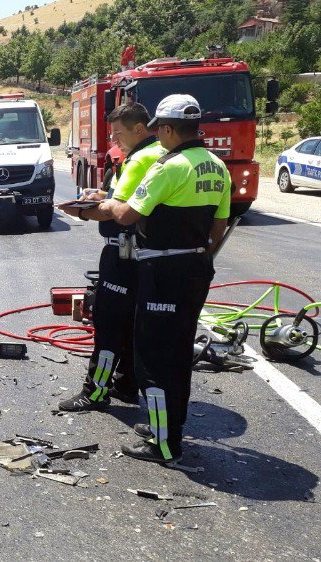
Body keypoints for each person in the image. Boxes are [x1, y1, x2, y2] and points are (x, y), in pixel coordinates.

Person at [95, 94, 230, 464]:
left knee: (152, 358)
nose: (159, 137)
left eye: (160, 130)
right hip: (197, 268)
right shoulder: (217, 166)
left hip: (163, 272)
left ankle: (162, 443)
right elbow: (220, 224)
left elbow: (126, 214)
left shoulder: (169, 167)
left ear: (168, 129)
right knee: (178, 353)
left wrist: (101, 206)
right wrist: (198, 254)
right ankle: (170, 426)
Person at [57, 103, 166, 412]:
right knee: (133, 325)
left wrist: (83, 209)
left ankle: (95, 391)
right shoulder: (160, 154)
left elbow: (121, 211)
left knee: (108, 327)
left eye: (119, 134)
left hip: (123, 255)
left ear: (140, 129)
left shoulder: (142, 158)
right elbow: (130, 197)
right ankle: (128, 383)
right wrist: (101, 196)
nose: (115, 141)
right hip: (146, 258)